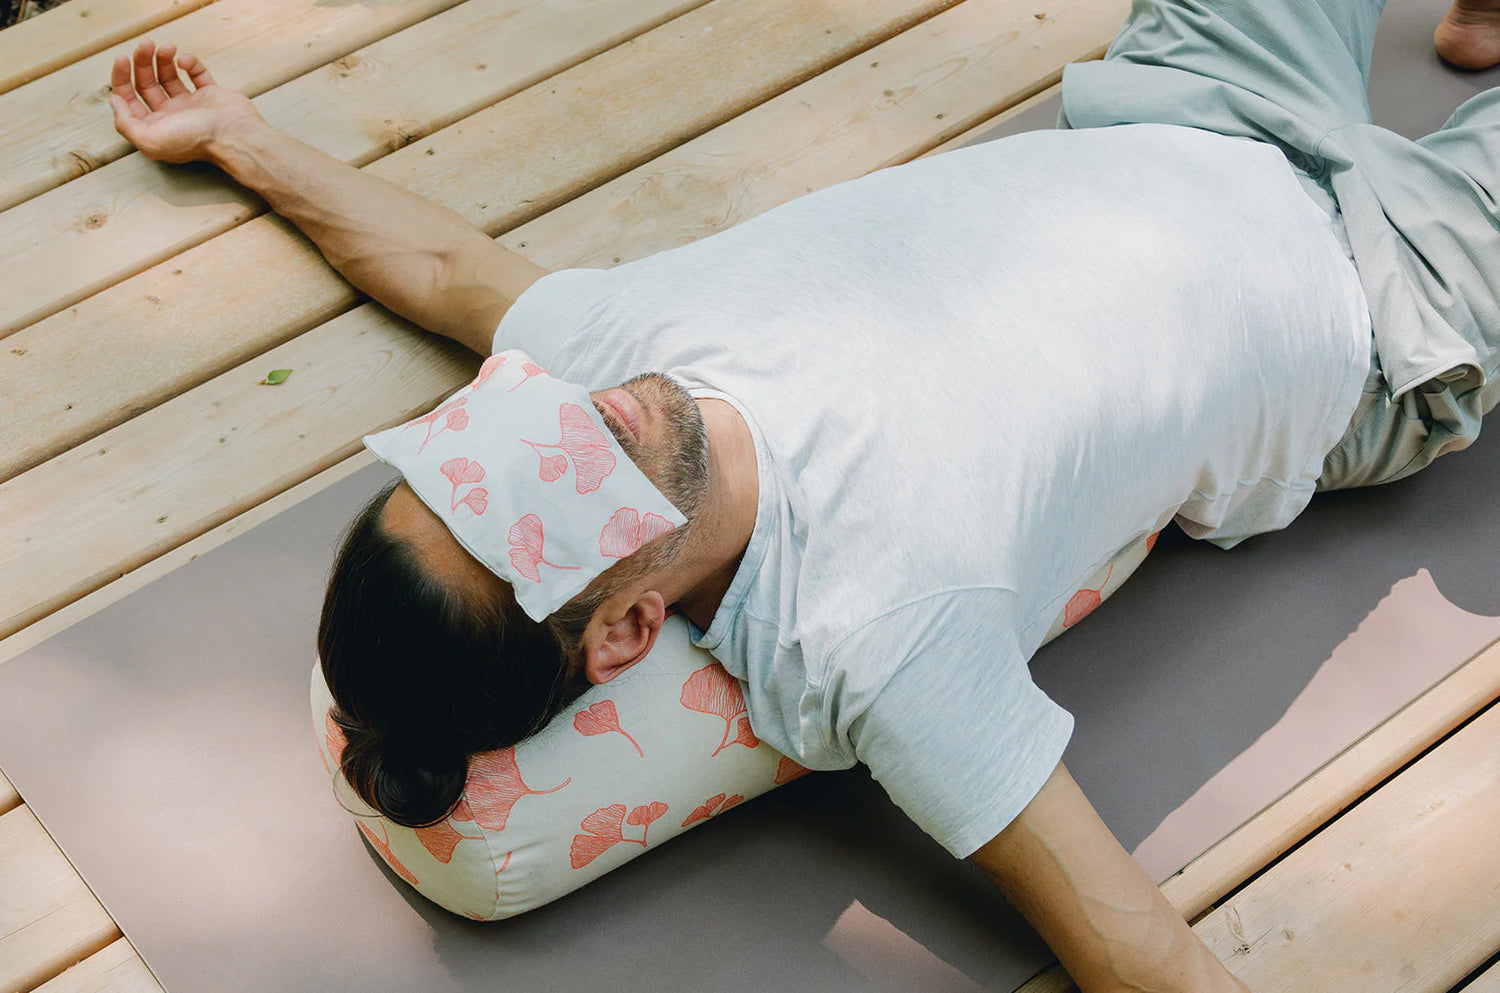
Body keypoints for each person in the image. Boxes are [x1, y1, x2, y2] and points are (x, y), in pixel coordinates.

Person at [109, 2, 1500, 990]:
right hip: (1378, 306)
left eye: (490, 439)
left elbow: (446, 268)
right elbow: (1137, 951)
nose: (573, 418)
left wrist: (238, 136)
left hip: (1185, 102)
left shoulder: (602, 368)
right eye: (557, 486)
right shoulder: (868, 634)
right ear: (622, 634)